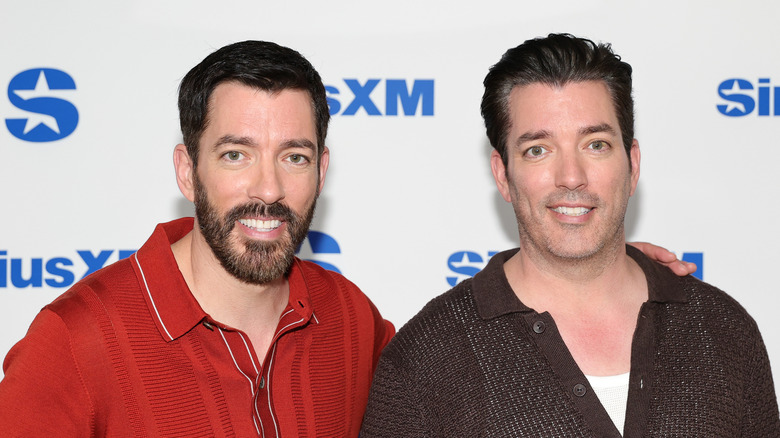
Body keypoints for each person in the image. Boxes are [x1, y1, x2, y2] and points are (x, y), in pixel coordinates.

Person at [360, 34, 780, 437]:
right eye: (537, 150)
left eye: (595, 144)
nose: (572, 177)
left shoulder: (724, 331)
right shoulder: (425, 360)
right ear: (503, 175)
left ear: (632, 164)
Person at [0, 40, 394, 437]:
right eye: (236, 155)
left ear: (321, 172)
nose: (269, 189)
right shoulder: (75, 340)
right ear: (188, 172)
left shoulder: (351, 319)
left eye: (294, 157)